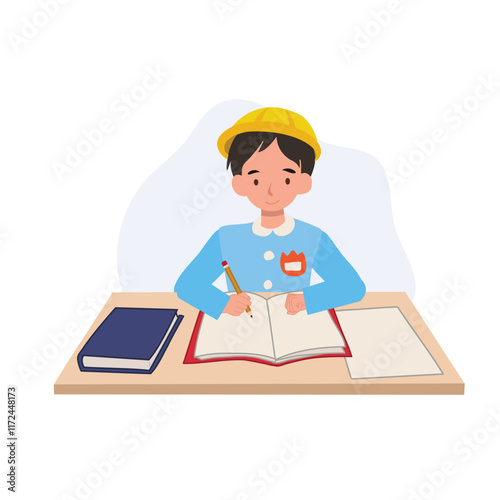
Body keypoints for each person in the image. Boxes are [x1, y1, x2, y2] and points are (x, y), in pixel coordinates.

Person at [174, 107, 366, 319]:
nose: (271, 190)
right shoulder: (225, 238)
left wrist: (307, 299)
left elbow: (351, 287)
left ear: (303, 182)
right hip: (238, 331)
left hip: (294, 332)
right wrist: (222, 303)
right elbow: (187, 286)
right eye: (256, 179)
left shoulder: (314, 237)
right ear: (240, 184)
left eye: (286, 179)